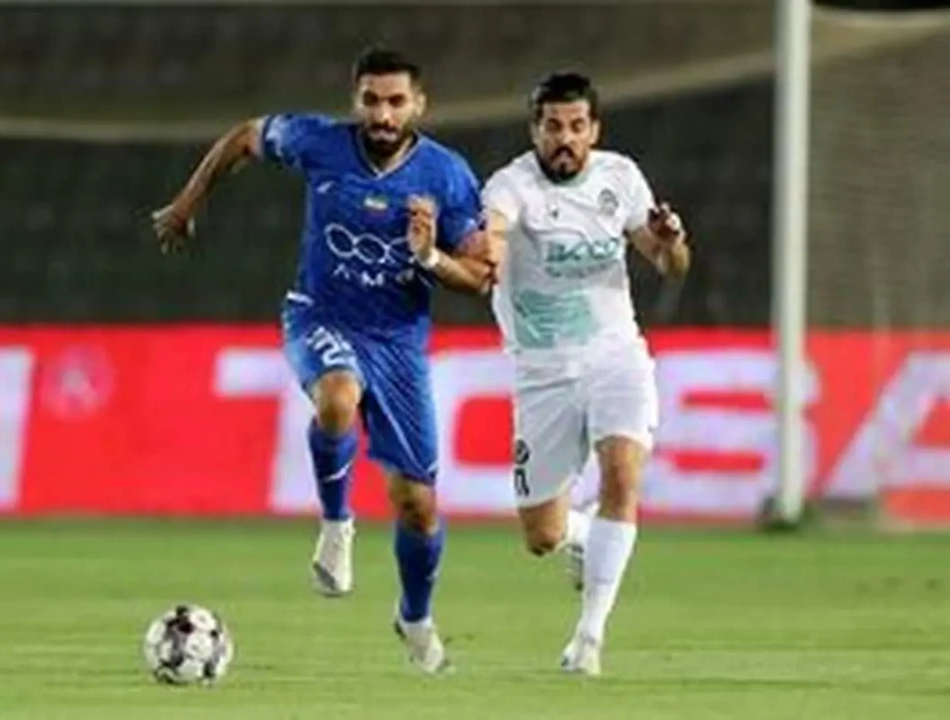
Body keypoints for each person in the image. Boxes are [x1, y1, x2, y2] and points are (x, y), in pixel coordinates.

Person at [151, 47, 500, 674]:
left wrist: (429, 256)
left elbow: (480, 277)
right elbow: (244, 136)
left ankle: (415, 618)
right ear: (354, 100)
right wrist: (187, 202)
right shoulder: (318, 142)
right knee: (337, 396)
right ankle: (337, 526)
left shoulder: (446, 176)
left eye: (396, 101)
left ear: (419, 105)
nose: (383, 114)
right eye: (371, 100)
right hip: (319, 316)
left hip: (397, 344)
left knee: (418, 505)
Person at [481, 71, 690, 676]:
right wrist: (488, 250)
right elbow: (495, 230)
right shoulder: (511, 185)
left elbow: (669, 264)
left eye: (576, 126)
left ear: (594, 130)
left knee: (622, 475)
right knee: (542, 537)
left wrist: (670, 240)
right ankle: (584, 534)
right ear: (535, 131)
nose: (565, 139)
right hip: (543, 372)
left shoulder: (620, 177)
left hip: (615, 356)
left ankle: (588, 638)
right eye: (553, 127)